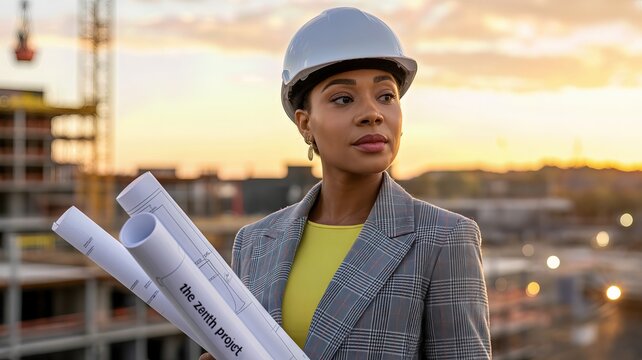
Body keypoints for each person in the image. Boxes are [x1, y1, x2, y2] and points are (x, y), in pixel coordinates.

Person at [200, 7, 490, 360]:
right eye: (343, 99)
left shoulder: (444, 239)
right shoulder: (255, 243)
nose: (373, 113)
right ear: (306, 124)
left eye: (386, 96)